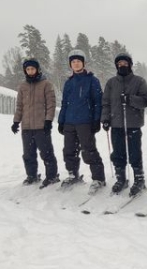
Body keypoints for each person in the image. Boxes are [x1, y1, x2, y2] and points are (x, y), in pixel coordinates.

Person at [101, 52, 147, 197]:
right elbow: (106, 103)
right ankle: (121, 178)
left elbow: (145, 101)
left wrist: (130, 99)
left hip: (133, 123)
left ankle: (139, 179)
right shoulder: (111, 83)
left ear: (130, 64)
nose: (122, 65)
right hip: (116, 123)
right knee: (118, 153)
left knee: (134, 152)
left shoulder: (139, 81)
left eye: (125, 63)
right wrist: (105, 119)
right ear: (116, 65)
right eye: (119, 63)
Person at [57, 49, 106, 192]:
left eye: (78, 61)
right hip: (69, 121)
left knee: (89, 150)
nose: (76, 64)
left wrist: (96, 120)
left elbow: (98, 102)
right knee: (69, 150)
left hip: (85, 121)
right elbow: (64, 103)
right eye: (73, 61)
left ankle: (98, 178)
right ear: (70, 65)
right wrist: (61, 121)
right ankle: (73, 175)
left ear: (83, 63)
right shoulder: (68, 83)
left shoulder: (92, 80)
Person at [12, 59, 59, 187]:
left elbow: (51, 104)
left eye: (32, 69)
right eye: (28, 69)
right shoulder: (23, 86)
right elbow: (20, 106)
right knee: (28, 154)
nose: (30, 71)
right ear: (25, 71)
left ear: (37, 69)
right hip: (26, 127)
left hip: (41, 126)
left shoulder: (46, 84)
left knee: (46, 153)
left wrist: (48, 120)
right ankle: (31, 175)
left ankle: (52, 176)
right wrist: (16, 121)